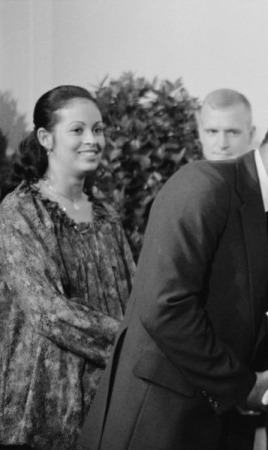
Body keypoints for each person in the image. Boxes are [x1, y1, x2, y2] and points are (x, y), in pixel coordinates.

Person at [79, 93, 268, 450]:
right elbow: (165, 307)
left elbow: (247, 327)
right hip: (157, 421)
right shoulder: (204, 184)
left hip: (220, 427)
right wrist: (242, 386)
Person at [0, 85, 135, 449]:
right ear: (46, 137)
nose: (92, 139)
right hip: (44, 404)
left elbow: (133, 299)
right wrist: (132, 343)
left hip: (107, 399)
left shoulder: (107, 217)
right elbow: (47, 312)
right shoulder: (20, 211)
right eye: (77, 130)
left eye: (99, 129)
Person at [197, 88, 255, 160]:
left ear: (251, 135)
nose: (222, 144)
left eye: (232, 132)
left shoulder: (266, 170)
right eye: (212, 131)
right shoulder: (185, 171)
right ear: (200, 134)